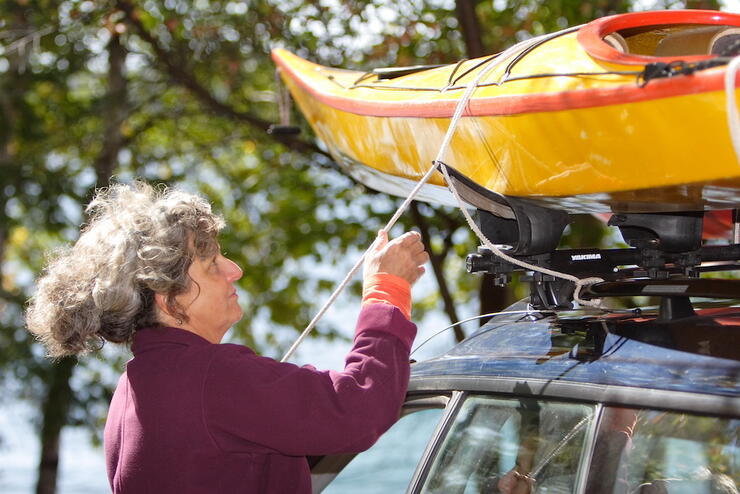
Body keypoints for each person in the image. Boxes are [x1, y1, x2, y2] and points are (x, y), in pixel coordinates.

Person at [25, 181, 429, 493]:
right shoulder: (212, 377)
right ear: (170, 300)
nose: (233, 269)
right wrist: (386, 291)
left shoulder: (132, 388)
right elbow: (356, 412)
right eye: (211, 262)